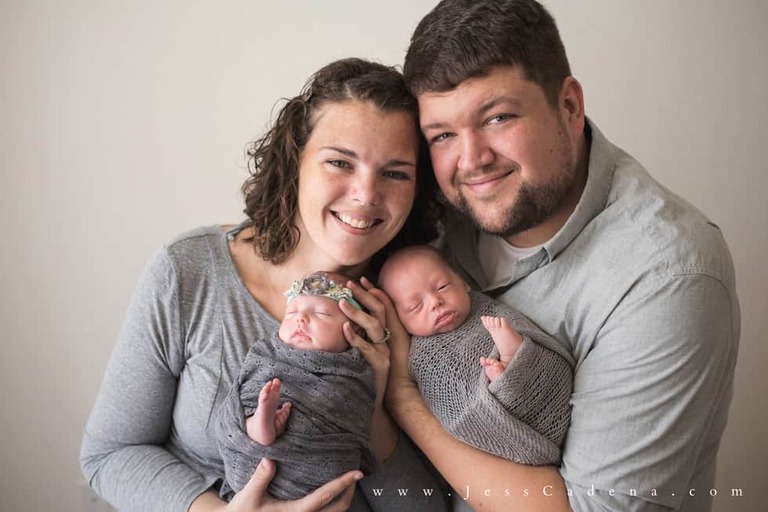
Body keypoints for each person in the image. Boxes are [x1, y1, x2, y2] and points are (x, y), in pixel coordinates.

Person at [383, 1, 741, 511]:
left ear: (569, 106)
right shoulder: (435, 210)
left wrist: (403, 400)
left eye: (498, 117)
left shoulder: (669, 275)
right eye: (443, 135)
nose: (472, 160)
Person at [80, 57, 447, 512]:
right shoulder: (190, 270)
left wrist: (371, 405)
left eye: (395, 173)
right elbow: (109, 455)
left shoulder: (419, 305)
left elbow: (426, 508)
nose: (366, 194)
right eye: (339, 162)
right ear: (296, 163)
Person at [377, 245, 573, 466]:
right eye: (415, 306)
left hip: (549, 391)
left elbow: (537, 343)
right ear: (399, 320)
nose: (435, 302)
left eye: (442, 287)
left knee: (515, 340)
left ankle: (513, 361)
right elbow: (456, 412)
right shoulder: (421, 358)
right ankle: (505, 373)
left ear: (463, 282)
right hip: (502, 422)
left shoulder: (485, 307)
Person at [217, 271, 378, 501]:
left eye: (321, 313)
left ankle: (268, 425)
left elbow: (354, 413)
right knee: (252, 404)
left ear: (355, 330)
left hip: (314, 473)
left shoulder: (354, 373)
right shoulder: (267, 353)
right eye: (291, 312)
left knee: (313, 412)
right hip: (246, 465)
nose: (300, 319)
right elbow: (248, 383)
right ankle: (259, 423)